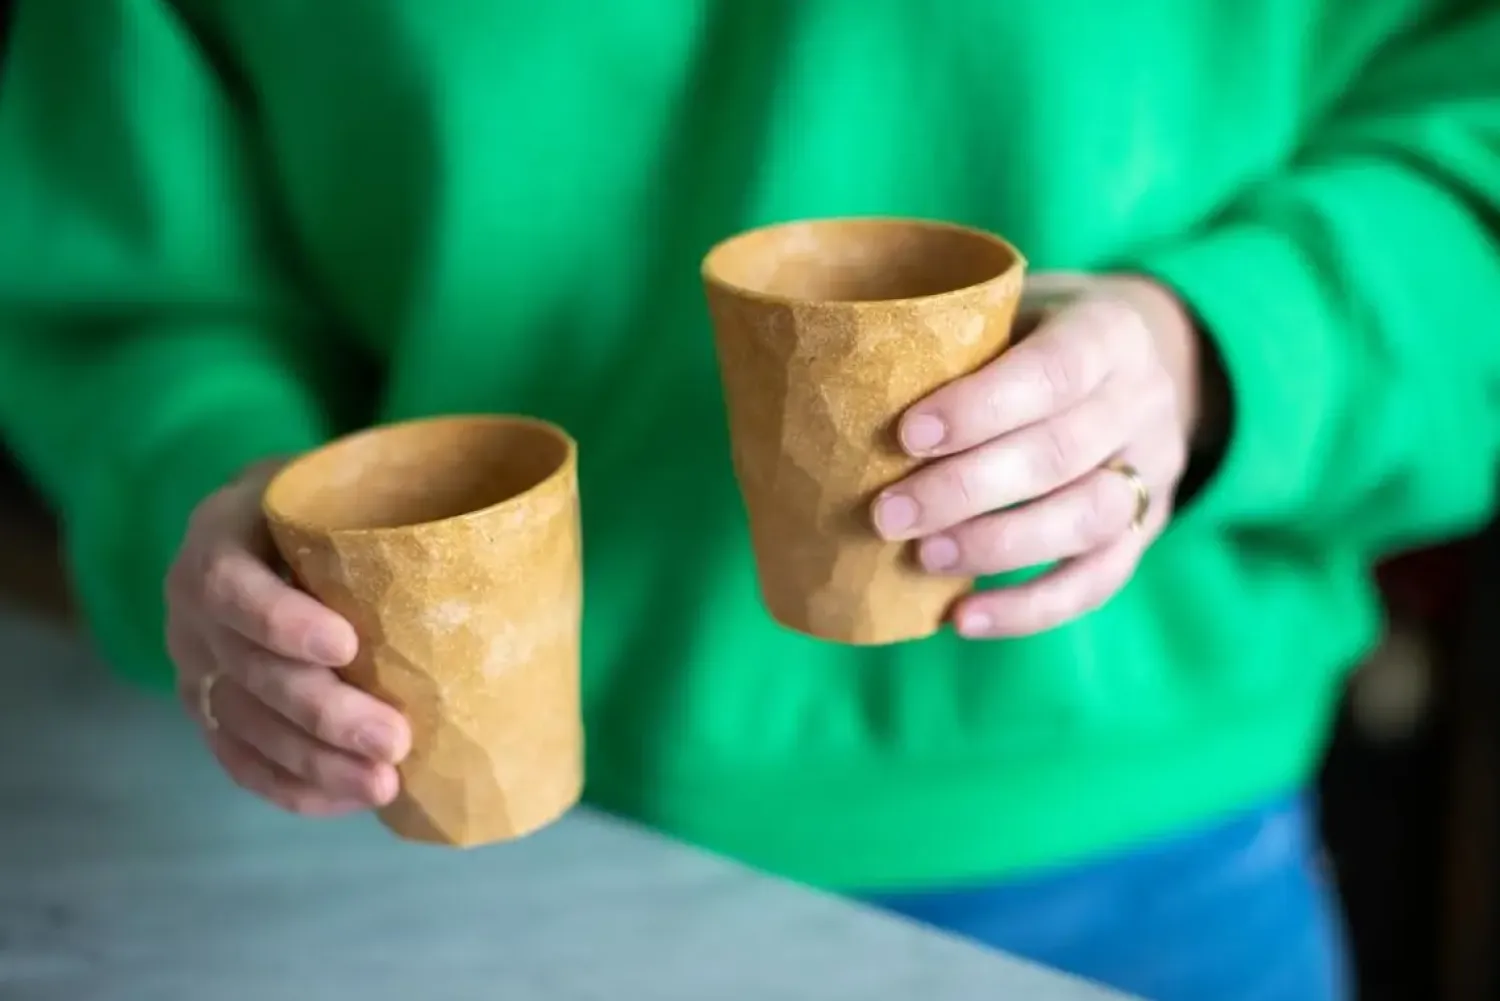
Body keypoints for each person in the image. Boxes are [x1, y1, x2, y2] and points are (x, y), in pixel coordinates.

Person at [2, 2, 1498, 998]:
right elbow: (131, 270)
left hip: (1138, 861)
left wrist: (1227, 349)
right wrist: (209, 479)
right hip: (416, 855)